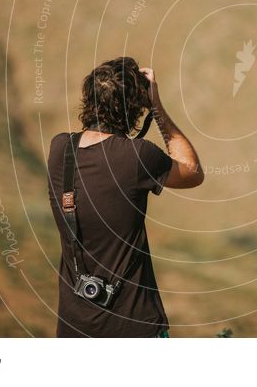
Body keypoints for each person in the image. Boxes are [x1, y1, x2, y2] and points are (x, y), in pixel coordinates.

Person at [46, 57, 203, 337]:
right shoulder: (138, 156)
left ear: (88, 100)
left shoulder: (61, 150)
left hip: (74, 328)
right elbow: (192, 172)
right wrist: (157, 107)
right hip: (134, 326)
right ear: (136, 107)